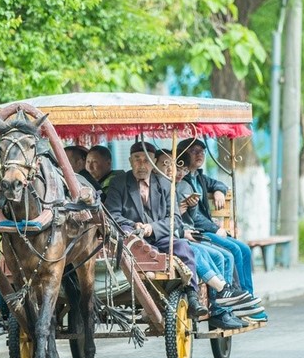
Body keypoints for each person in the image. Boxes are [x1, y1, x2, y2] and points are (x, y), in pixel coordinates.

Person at [104, 141, 208, 317]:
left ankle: (192, 295)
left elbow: (175, 219)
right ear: (130, 161)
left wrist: (152, 228)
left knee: (183, 247)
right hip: (132, 239)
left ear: (153, 162)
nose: (142, 164)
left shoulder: (165, 184)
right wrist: (134, 226)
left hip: (161, 238)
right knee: (136, 247)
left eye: (146, 160)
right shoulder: (119, 183)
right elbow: (111, 215)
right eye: (137, 159)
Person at [177, 138, 267, 321]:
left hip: (205, 229)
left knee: (244, 249)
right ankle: (231, 303)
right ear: (183, 156)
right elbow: (193, 218)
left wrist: (218, 190)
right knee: (232, 250)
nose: (200, 154)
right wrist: (214, 227)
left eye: (202, 151)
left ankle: (247, 298)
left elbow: (218, 184)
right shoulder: (182, 181)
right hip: (198, 231)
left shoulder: (198, 177)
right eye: (194, 151)